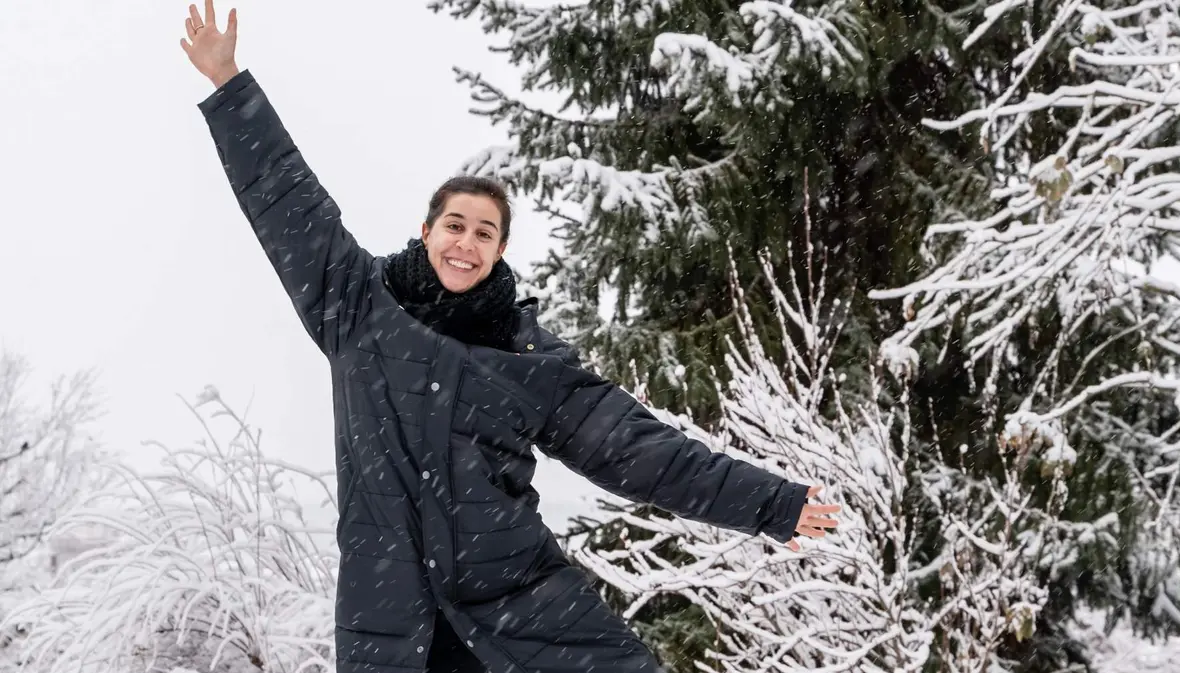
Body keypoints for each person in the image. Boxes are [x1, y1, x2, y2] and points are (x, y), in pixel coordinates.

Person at [180, 3, 840, 673]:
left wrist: (774, 504)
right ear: (428, 230)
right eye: (455, 225)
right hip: (389, 619)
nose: (466, 242)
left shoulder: (533, 360)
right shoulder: (357, 308)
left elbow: (644, 453)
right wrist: (230, 83)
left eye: (484, 232)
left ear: (500, 250)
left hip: (526, 610)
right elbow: (288, 202)